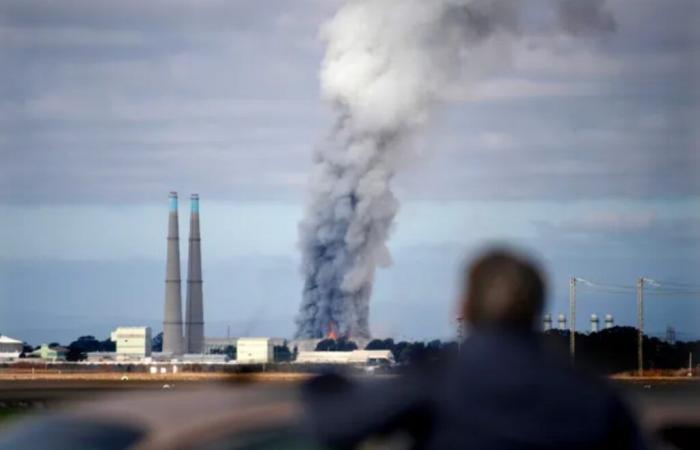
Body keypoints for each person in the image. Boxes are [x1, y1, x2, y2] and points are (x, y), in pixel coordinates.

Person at [302, 248, 647, 450]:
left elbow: (336, 426)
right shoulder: (592, 394)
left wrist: (324, 376)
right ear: (537, 308)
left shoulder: (438, 379)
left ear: (464, 307)